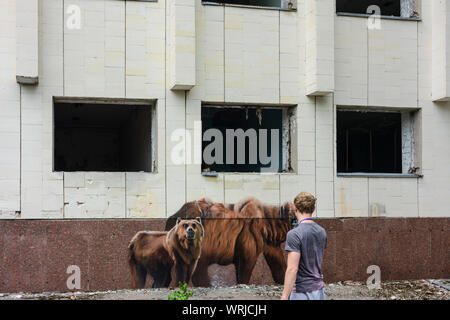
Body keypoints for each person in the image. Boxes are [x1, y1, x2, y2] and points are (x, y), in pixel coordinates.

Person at [280, 192, 327, 300]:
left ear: (295, 208)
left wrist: (284, 296)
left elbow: (292, 269)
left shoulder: (294, 234)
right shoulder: (322, 232)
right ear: (313, 208)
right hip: (319, 290)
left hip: (302, 292)